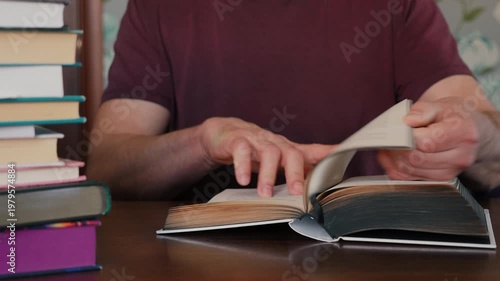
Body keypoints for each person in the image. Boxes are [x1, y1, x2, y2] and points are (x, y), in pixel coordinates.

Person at [87, 0, 500, 200]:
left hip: (374, 257)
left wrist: (477, 136)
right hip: (202, 263)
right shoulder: (159, 7)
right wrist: (202, 142)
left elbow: (484, 133)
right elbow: (108, 164)